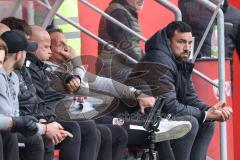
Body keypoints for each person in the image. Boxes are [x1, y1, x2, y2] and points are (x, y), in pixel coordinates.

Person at [131, 21, 232, 160]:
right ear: (168, 41)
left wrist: (211, 110)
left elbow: (190, 98)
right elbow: (169, 106)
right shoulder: (158, 59)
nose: (187, 48)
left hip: (160, 116)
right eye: (181, 42)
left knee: (207, 122)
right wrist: (204, 114)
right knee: (190, 122)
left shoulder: (179, 60)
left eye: (190, 43)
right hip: (136, 118)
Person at [0, 31, 41, 160]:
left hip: (10, 126)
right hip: (6, 128)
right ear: (18, 55)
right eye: (25, 52)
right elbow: (7, 114)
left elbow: (15, 115)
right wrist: (43, 128)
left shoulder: (15, 77)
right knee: (31, 138)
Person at [97, 0, 144, 82]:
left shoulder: (123, 11)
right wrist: (144, 65)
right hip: (115, 67)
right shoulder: (118, 13)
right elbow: (125, 48)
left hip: (120, 64)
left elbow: (131, 46)